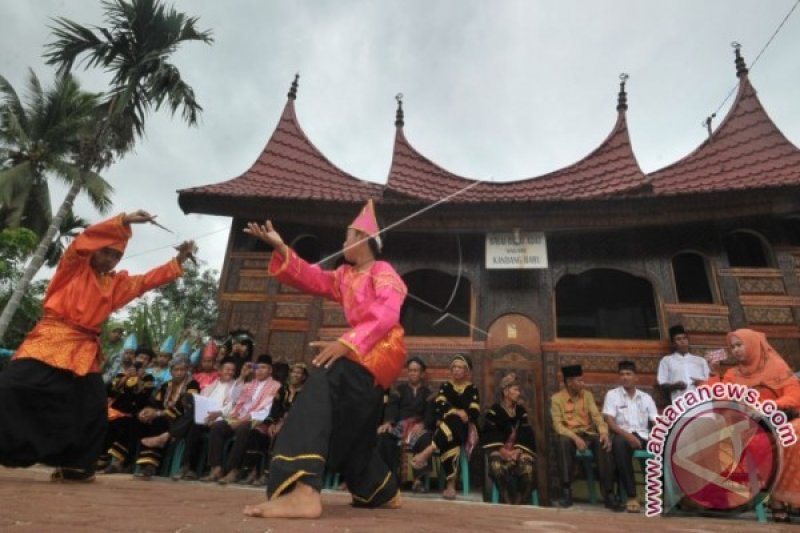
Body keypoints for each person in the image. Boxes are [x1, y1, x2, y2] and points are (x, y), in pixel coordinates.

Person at [241, 199, 408, 519]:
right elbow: (311, 277)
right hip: (361, 353)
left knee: (322, 377)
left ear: (362, 238)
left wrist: (346, 343)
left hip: (381, 351)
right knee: (351, 425)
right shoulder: (344, 275)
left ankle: (303, 491)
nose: (343, 243)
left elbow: (387, 314)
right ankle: (380, 489)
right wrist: (282, 248)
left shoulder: (383, 271)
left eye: (347, 236)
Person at [0, 211, 193, 482]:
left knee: (91, 408)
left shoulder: (115, 284)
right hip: (51, 339)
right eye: (106, 253)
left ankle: (75, 465)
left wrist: (179, 260)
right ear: (94, 251)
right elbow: (82, 242)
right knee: (11, 388)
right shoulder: (72, 267)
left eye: (116, 256)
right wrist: (124, 221)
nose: (110, 260)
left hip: (84, 350)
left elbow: (145, 282)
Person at [713, 329, 800, 522]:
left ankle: (790, 500)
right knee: (755, 443)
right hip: (749, 426)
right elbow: (723, 399)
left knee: (794, 435)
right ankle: (776, 501)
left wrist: (767, 407)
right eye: (732, 347)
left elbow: (794, 396)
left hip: (782, 420)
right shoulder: (731, 374)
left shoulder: (778, 368)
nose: (735, 350)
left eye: (739, 345)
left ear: (752, 344)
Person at [550, 364, 622, 511]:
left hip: (588, 434)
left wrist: (604, 432)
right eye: (579, 381)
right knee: (562, 442)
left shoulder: (587, 395)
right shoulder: (557, 399)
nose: (583, 384)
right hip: (569, 435)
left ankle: (608, 494)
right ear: (569, 382)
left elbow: (597, 417)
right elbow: (558, 426)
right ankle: (566, 492)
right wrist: (575, 438)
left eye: (583, 380)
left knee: (603, 443)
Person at [411, 354, 481, 500]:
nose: (456, 370)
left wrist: (463, 413)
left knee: (455, 422)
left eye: (460, 367)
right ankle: (450, 486)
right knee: (451, 435)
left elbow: (474, 411)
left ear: (467, 371)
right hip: (447, 428)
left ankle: (429, 450)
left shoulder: (472, 389)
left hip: (464, 428)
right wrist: (456, 411)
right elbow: (440, 406)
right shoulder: (446, 386)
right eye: (454, 367)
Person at [203, 354, 280, 484]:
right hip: (237, 418)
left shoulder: (276, 386)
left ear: (270, 370)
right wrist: (243, 376)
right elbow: (233, 398)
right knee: (217, 427)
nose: (259, 370)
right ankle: (216, 468)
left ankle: (234, 470)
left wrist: (243, 420)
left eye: (263, 368)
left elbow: (266, 410)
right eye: (257, 368)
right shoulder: (249, 384)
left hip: (257, 422)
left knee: (244, 429)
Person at [172, 357, 242, 481]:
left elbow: (233, 407)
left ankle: (170, 435)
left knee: (196, 423)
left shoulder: (236, 387)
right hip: (206, 418)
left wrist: (217, 415)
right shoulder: (210, 387)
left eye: (232, 370)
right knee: (194, 423)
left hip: (223, 419)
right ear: (219, 370)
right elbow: (201, 403)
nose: (230, 372)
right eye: (227, 369)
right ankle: (188, 467)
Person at [602, 361, 658, 513]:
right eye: (622, 374)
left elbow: (655, 421)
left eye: (628, 374)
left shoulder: (646, 397)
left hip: (643, 435)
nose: (625, 377)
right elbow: (610, 422)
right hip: (622, 434)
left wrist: (660, 436)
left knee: (665, 446)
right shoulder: (612, 395)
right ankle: (632, 496)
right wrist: (628, 437)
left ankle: (670, 496)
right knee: (619, 444)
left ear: (636, 378)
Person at [242, 361, 310, 485]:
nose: (295, 375)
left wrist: (282, 424)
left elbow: (299, 412)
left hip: (295, 426)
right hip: (276, 422)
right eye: (293, 372)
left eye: (299, 373)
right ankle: (253, 471)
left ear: (304, 376)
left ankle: (269, 474)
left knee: (279, 436)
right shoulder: (283, 389)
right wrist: (271, 423)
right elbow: (275, 409)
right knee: (256, 432)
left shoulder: (306, 393)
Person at [135, 356, 200, 479]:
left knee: (159, 422)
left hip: (181, 418)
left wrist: (159, 413)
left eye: (182, 370)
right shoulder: (166, 385)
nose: (179, 372)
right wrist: (148, 411)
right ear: (171, 371)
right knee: (142, 420)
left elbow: (187, 404)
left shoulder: (192, 384)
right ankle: (141, 464)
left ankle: (151, 466)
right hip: (164, 415)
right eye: (176, 370)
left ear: (187, 370)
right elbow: (156, 403)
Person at [97, 347, 157, 474]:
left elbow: (143, 397)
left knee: (126, 425)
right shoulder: (122, 374)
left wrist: (139, 379)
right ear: (135, 358)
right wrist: (126, 377)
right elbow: (111, 392)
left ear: (150, 363)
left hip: (133, 412)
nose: (142, 360)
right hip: (114, 411)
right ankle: (99, 459)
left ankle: (117, 463)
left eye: (146, 359)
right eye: (140, 357)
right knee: (100, 423)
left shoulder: (149, 378)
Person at [377, 356, 432, 489]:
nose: (412, 373)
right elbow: (392, 407)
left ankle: (418, 480)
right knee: (384, 438)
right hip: (400, 426)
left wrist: (423, 424)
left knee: (425, 439)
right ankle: (390, 479)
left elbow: (430, 412)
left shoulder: (427, 393)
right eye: (410, 370)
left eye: (416, 370)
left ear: (422, 374)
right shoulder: (399, 390)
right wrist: (388, 422)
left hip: (419, 427)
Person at [481, 372, 537, 505]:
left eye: (518, 390)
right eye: (515, 390)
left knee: (528, 469)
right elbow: (490, 434)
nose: (518, 393)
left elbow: (526, 432)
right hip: (500, 450)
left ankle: (519, 500)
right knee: (496, 466)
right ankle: (505, 498)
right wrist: (504, 452)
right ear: (506, 392)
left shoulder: (521, 411)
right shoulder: (494, 411)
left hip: (518, 451)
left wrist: (517, 451)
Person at [657, 325, 709, 404]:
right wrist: (675, 386)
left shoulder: (700, 360)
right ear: (673, 343)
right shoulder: (666, 361)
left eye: (684, 338)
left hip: (702, 404)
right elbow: (662, 383)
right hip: (681, 406)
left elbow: (710, 382)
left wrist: (700, 382)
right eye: (678, 339)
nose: (682, 341)